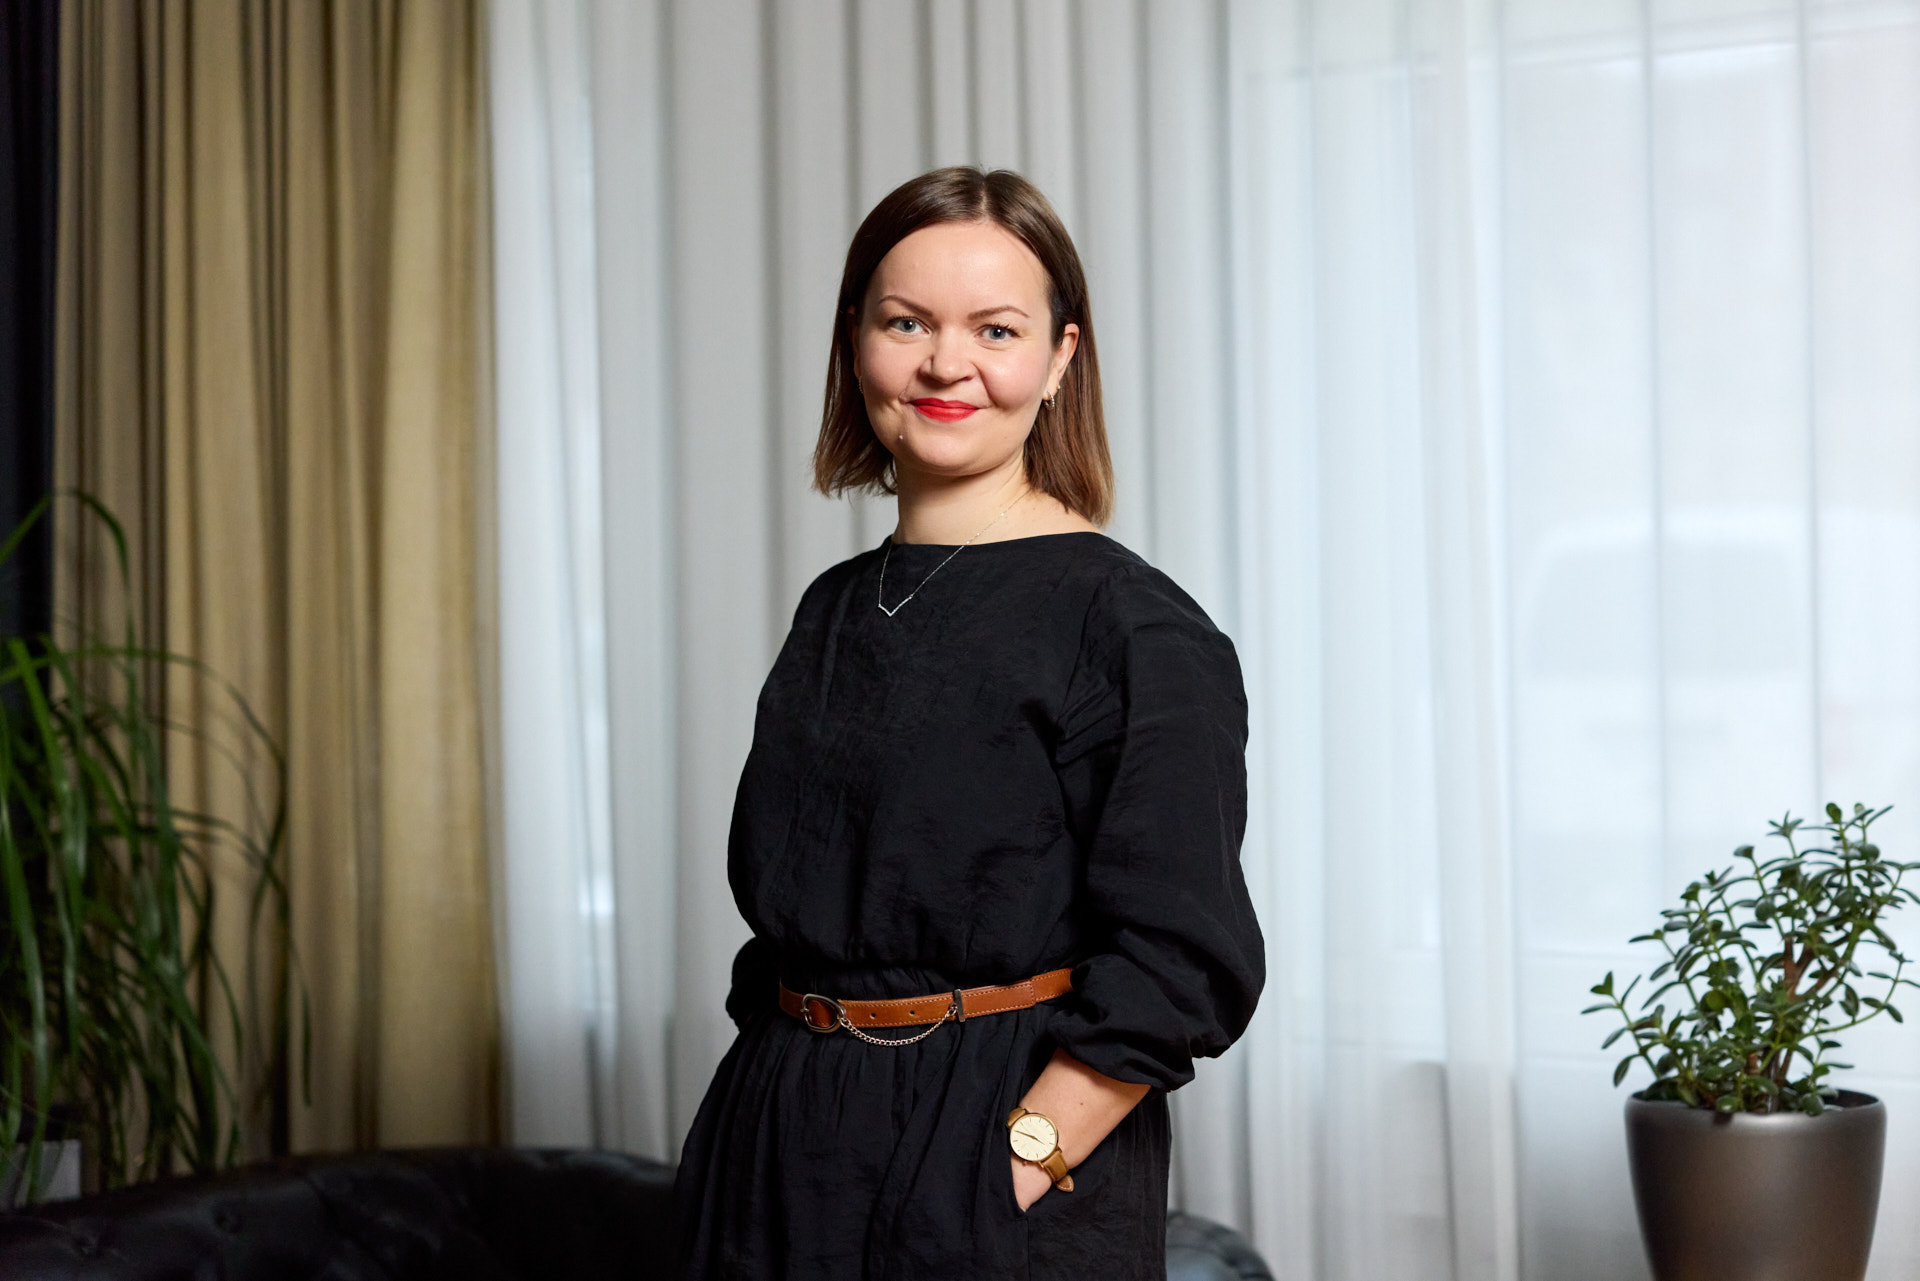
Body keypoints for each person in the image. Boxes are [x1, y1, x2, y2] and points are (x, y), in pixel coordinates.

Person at [673, 166, 1264, 1280]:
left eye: (996, 329)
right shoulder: (837, 607)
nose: (948, 364)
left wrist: (1010, 1165)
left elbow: (1182, 959)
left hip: (991, 1158)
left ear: (1060, 360)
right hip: (775, 1144)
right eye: (909, 323)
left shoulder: (1132, 626)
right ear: (858, 342)